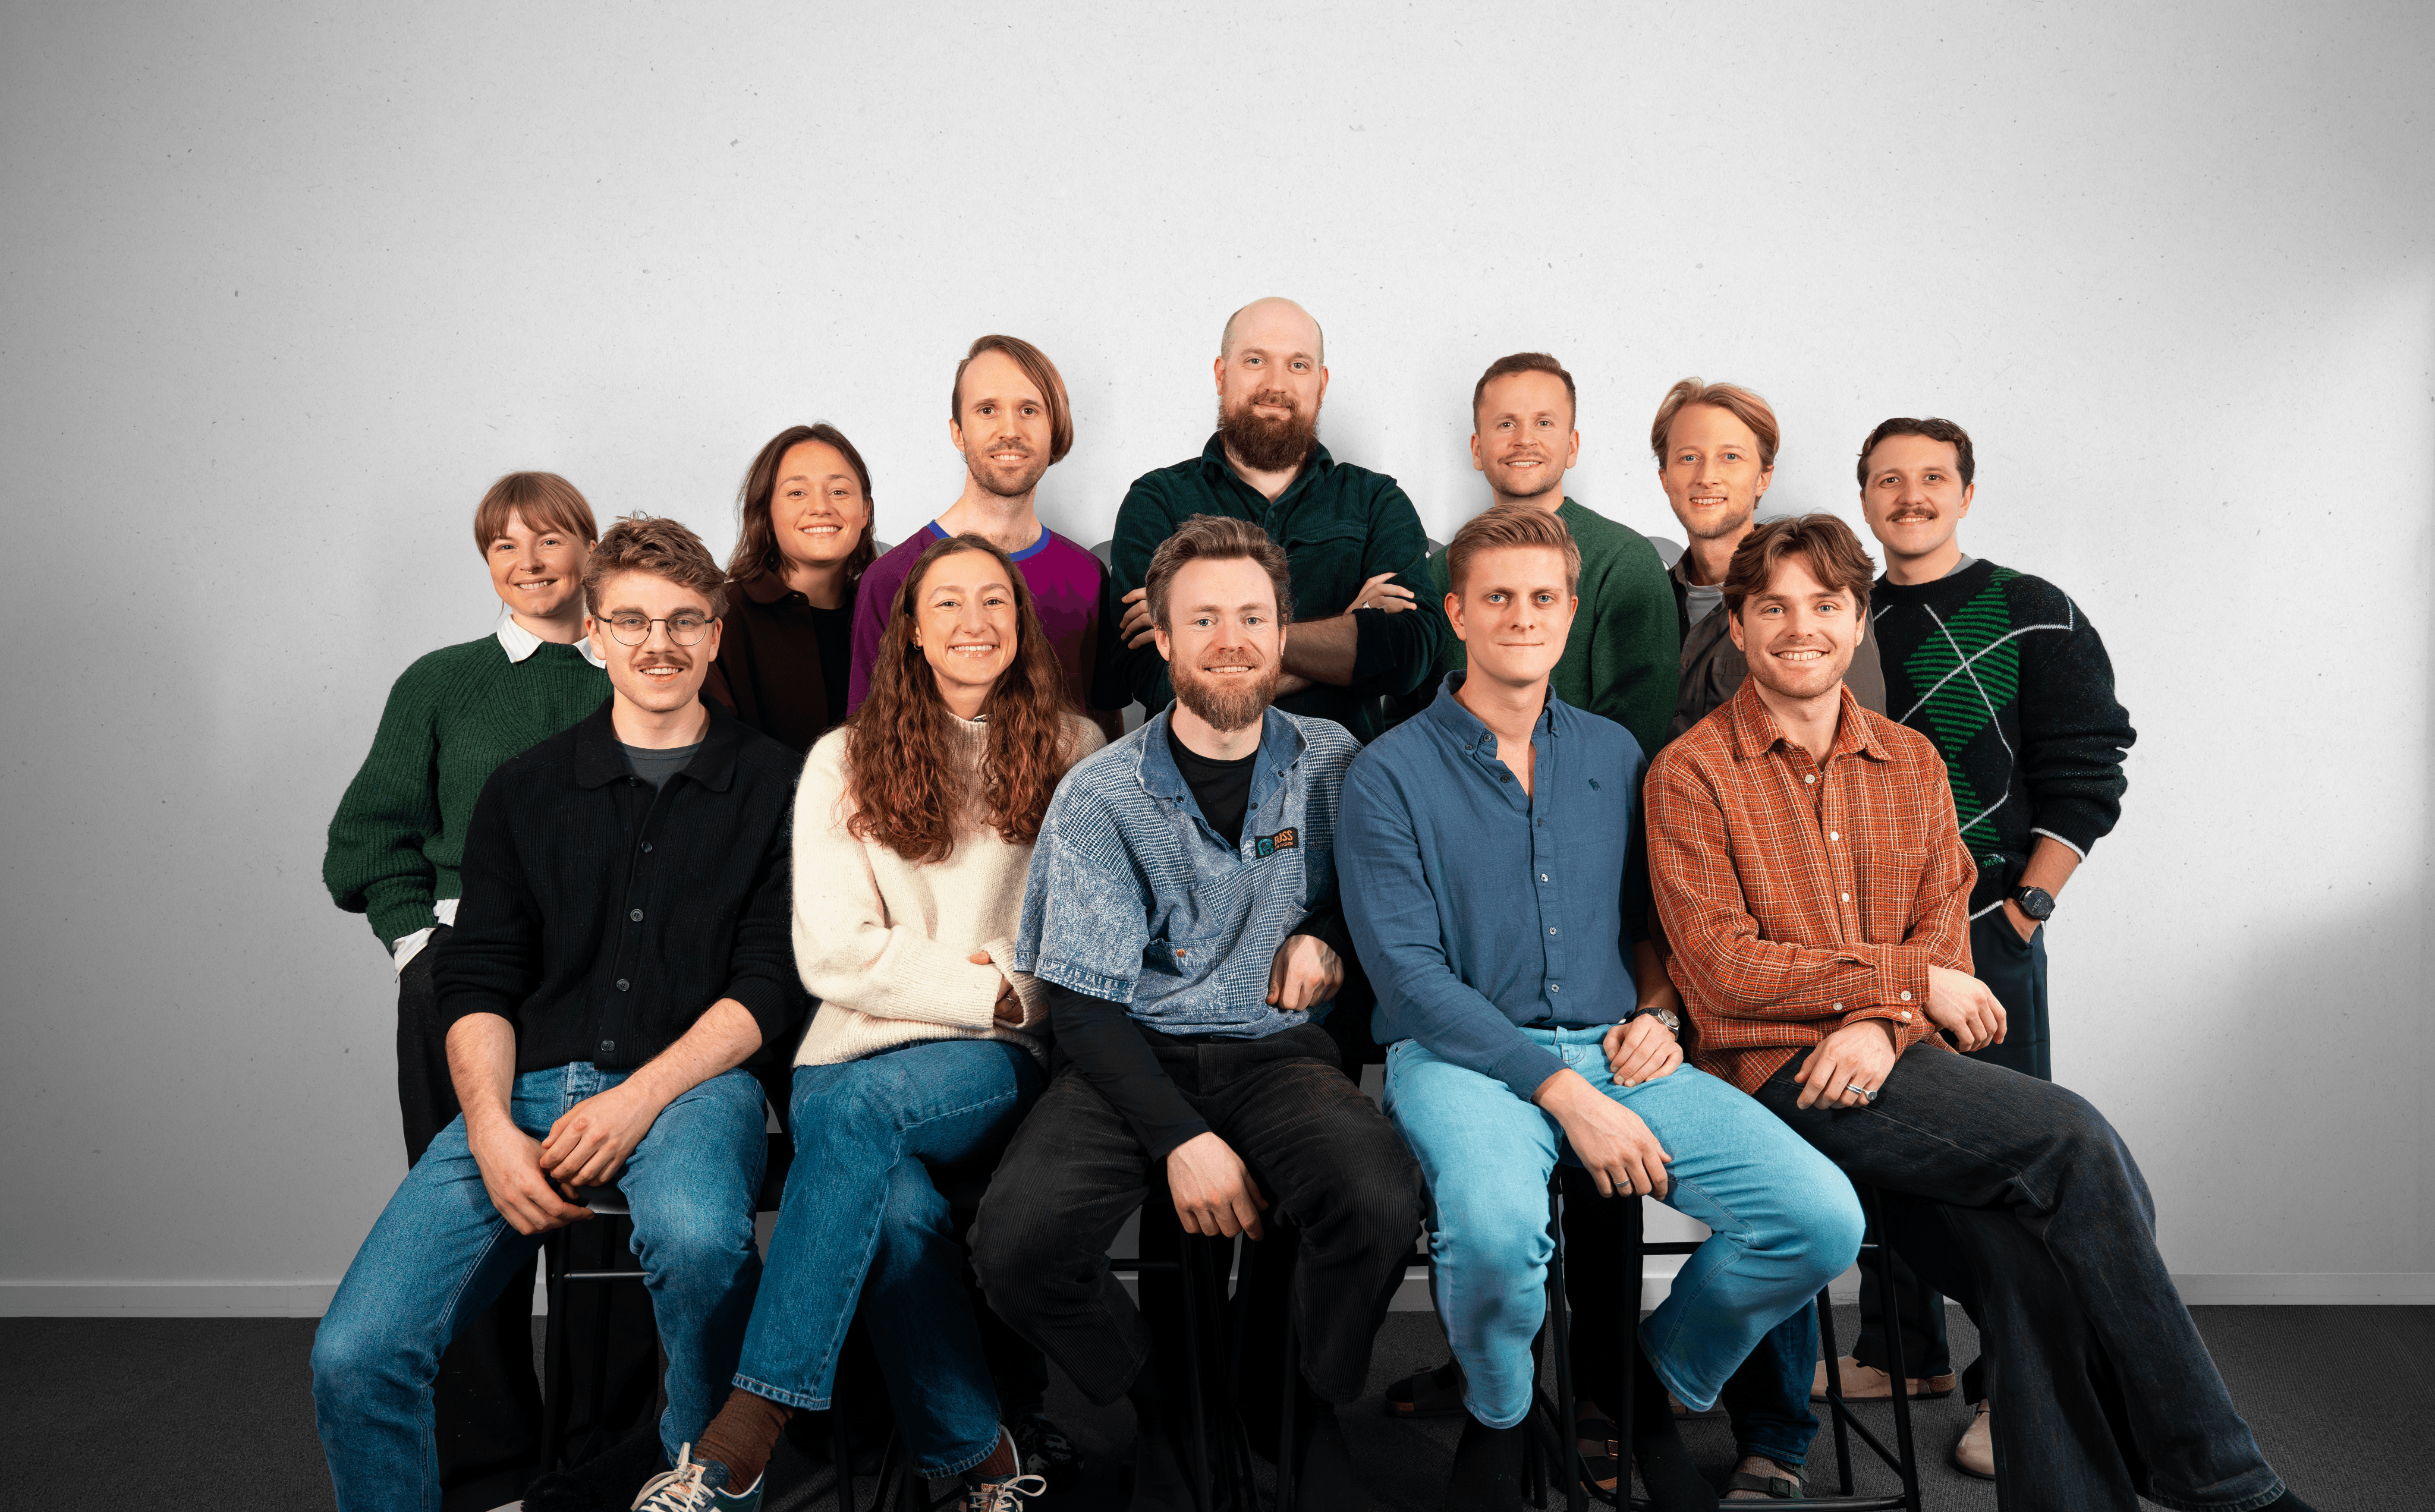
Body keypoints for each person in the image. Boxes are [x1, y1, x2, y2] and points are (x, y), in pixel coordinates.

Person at [1645, 514, 2316, 1512]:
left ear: (1857, 620)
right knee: (2074, 1139)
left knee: (2029, 1267)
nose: (1800, 626)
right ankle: (2216, 1471)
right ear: (1736, 627)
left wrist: (1880, 1019)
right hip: (1771, 1082)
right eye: (1772, 606)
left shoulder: (1912, 764)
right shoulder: (1690, 773)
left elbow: (1946, 934)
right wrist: (1903, 986)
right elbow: (1723, 973)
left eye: (1825, 604)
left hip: (1885, 1066)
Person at [1341, 504, 1861, 1512]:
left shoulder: (1617, 754)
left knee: (1817, 1216)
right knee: (1492, 1236)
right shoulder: (1387, 772)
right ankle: (1500, 1417)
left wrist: (1660, 1012)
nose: (1522, 615)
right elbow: (1408, 980)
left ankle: (1634, 1383)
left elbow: (1647, 923)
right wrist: (1564, 1095)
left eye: (1543, 597)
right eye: (1497, 596)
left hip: (1622, 1047)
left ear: (1572, 611)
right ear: (1456, 611)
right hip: (1459, 1058)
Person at [311, 516, 806, 1512]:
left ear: (715, 634)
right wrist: (490, 1127)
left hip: (695, 1087)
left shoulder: (779, 782)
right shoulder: (524, 788)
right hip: (525, 1090)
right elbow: (480, 975)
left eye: (682, 621)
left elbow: (769, 983)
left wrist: (640, 1100)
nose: (657, 642)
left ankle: (701, 1489)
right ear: (594, 629)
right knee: (356, 1352)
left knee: (704, 1243)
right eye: (631, 619)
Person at [970, 515, 1426, 1509]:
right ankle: (1167, 1397)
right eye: (1204, 618)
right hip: (1128, 1053)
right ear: (1163, 640)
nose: (1231, 638)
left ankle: (1292, 1390)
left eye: (1252, 616)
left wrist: (1330, 933)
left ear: (1283, 627)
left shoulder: (1338, 758)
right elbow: (1083, 1004)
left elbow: (1388, 901)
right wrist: (1182, 1139)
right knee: (1017, 1244)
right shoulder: (1100, 791)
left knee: (1382, 1197)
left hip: (1276, 1055)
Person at [667, 534, 1105, 1512]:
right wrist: (988, 974)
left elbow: (1078, 942)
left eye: (995, 600)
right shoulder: (841, 758)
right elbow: (832, 953)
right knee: (901, 1212)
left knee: (867, 1116)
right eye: (947, 602)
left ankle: (749, 1420)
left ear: (1023, 623)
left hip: (991, 1059)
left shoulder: (1079, 753)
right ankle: (986, 1462)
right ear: (909, 630)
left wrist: (997, 997)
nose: (974, 621)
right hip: (844, 1058)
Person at [1835, 415, 2138, 1475]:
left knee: (2007, 1170)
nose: (1908, 495)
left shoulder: (2031, 610)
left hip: (1982, 931)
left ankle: (2012, 1390)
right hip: (1860, 937)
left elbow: (2089, 765)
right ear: (1863, 494)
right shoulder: (1842, 610)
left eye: (1930, 478)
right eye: (1887, 478)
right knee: (1882, 1145)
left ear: (1964, 491)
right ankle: (1899, 1348)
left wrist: (2024, 911)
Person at [321, 471, 608, 1504]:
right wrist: (417, 947)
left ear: (589, 544)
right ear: (486, 562)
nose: (530, 564)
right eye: (505, 547)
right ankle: (488, 1466)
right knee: (471, 1223)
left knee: (600, 1223)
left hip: (594, 980)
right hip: (460, 977)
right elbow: (365, 837)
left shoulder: (634, 667)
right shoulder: (439, 682)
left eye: (550, 541)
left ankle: (596, 1464)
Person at [1108, 296, 1447, 742]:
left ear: (1321, 384)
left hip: (1339, 784)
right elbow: (1153, 676)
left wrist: (1222, 657)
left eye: (1298, 366)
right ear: (1221, 374)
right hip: (1190, 787)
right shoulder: (1158, 501)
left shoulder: (1376, 501)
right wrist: (1352, 630)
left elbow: (1408, 656)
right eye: (1255, 360)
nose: (1276, 383)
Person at [847, 335, 1122, 739]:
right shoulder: (890, 578)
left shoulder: (1088, 576)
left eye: (1029, 410)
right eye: (987, 410)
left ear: (1054, 429)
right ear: (958, 432)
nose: (1009, 430)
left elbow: (1105, 729)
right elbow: (866, 738)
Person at [1414, 352, 1679, 755]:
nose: (1524, 439)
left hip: (1580, 805)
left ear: (1571, 447)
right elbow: (1411, 715)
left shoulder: (1625, 561)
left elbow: (1634, 731)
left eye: (1544, 422)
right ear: (1477, 448)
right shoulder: (1440, 571)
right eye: (1506, 424)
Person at [1653, 377, 1885, 740]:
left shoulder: (1823, 594)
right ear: (1665, 478)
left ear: (1763, 478)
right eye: (1688, 458)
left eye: (1730, 457)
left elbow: (1864, 747)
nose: (1707, 477)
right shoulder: (1648, 601)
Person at [706, 422, 879, 754]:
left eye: (839, 492)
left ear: (864, 512)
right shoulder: (721, 616)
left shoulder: (886, 615)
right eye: (797, 492)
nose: (821, 507)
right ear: (765, 512)